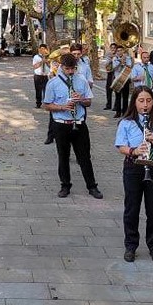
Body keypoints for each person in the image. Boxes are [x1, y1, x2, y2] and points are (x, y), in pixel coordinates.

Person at [114, 87, 153, 264]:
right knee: (132, 208)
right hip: (134, 167)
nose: (145, 104)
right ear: (134, 102)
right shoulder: (126, 122)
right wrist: (134, 150)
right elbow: (120, 146)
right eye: (141, 101)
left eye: (148, 100)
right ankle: (130, 245)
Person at [42, 53, 103, 199]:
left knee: (84, 157)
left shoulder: (81, 80)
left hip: (79, 124)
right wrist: (63, 107)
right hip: (61, 124)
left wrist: (80, 99)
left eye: (73, 69)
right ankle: (65, 186)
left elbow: (89, 102)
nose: (70, 72)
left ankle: (92, 186)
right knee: (63, 156)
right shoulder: (53, 83)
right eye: (68, 69)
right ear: (61, 67)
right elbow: (47, 105)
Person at [111, 46, 133, 118]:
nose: (119, 52)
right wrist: (120, 62)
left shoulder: (128, 58)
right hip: (118, 79)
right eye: (118, 51)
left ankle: (125, 112)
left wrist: (125, 62)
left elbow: (130, 66)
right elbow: (114, 68)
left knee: (125, 97)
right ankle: (118, 112)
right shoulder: (115, 59)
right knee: (118, 97)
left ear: (123, 51)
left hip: (125, 79)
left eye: (121, 50)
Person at [32, 44, 50, 108]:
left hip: (46, 76)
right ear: (39, 49)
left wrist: (47, 62)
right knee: (38, 90)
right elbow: (34, 66)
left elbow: (51, 67)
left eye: (43, 49)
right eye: (41, 49)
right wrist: (42, 61)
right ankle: (38, 104)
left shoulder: (49, 57)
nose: (42, 50)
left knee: (47, 90)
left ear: (46, 49)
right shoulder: (36, 57)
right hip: (38, 76)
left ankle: (46, 103)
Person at [102, 43, 117, 110]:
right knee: (108, 89)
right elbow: (106, 64)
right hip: (110, 73)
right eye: (112, 48)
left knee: (117, 90)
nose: (113, 49)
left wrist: (114, 58)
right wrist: (111, 59)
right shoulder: (108, 55)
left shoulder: (118, 56)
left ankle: (116, 106)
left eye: (114, 48)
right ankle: (108, 105)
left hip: (116, 74)